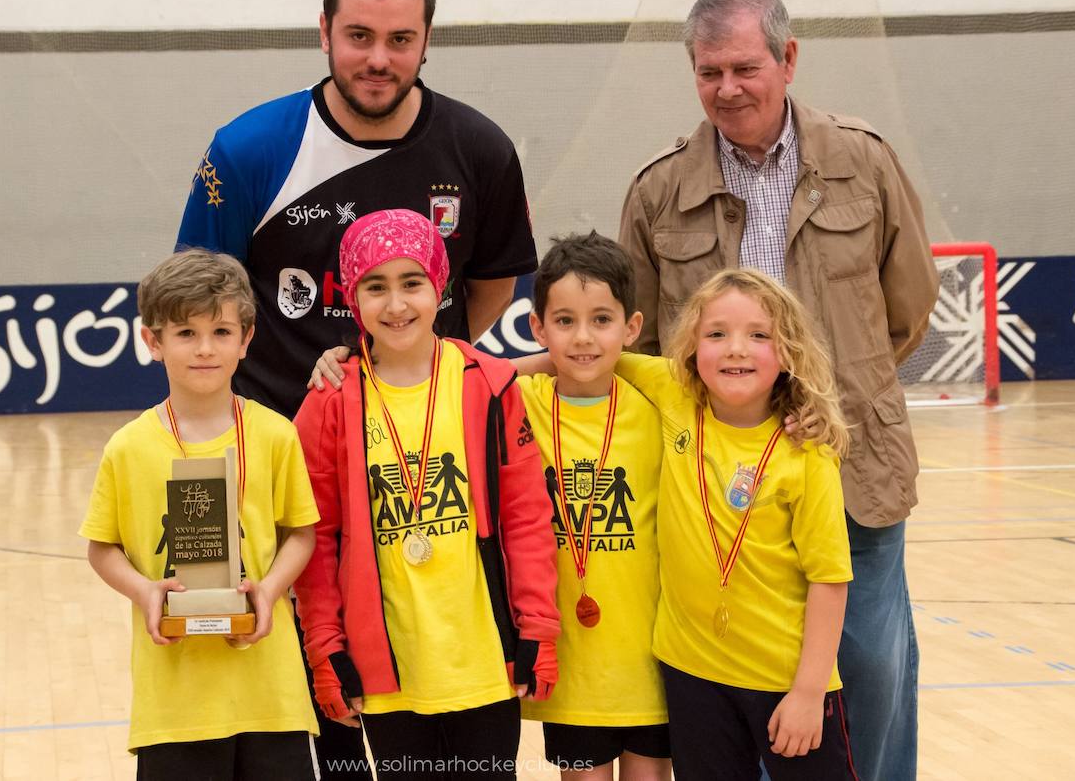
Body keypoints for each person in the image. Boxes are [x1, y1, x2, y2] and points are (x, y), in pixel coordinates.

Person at [618, 0, 938, 781]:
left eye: (744, 67)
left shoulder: (863, 161)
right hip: (712, 490)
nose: (727, 89)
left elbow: (908, 306)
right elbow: (642, 337)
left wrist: (818, 405)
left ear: (788, 59)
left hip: (851, 469)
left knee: (868, 675)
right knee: (735, 689)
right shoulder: (659, 189)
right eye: (708, 72)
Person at [176, 0, 537, 418]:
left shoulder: (483, 151)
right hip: (276, 435)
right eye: (360, 36)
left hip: (425, 436)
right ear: (326, 32)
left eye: (401, 39)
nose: (379, 60)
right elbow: (199, 299)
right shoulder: (247, 149)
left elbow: (491, 288)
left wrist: (411, 360)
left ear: (427, 40)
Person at [292, 209, 559, 781]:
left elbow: (528, 519)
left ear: (439, 287)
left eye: (411, 283)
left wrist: (536, 627)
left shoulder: (489, 384)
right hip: (387, 668)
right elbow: (313, 540)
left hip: (486, 661)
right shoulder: (328, 402)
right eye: (375, 286)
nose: (396, 304)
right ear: (352, 296)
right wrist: (325, 648)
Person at [79, 249, 320, 780]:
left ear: (246, 339)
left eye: (221, 332)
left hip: (270, 693)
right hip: (174, 703)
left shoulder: (276, 434)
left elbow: (301, 533)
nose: (205, 349)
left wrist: (271, 588)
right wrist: (145, 591)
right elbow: (102, 546)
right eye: (186, 333)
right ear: (153, 342)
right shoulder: (128, 446)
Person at [618, 268, 857, 780]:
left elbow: (829, 579)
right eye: (716, 334)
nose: (735, 349)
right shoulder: (675, 395)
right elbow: (586, 353)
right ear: (690, 347)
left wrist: (809, 692)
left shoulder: (806, 454)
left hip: (784, 681)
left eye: (759, 335)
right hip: (691, 674)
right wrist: (484, 369)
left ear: (788, 351)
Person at [518, 232, 671, 781]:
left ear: (632, 327)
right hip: (571, 666)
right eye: (564, 321)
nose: (583, 338)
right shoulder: (518, 403)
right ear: (537, 328)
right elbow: (441, 375)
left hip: (650, 660)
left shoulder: (660, 408)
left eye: (602, 320)